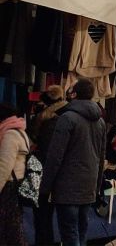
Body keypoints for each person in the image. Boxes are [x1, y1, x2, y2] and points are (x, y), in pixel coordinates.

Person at [40, 78, 107, 246]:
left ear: (74, 94)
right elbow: (101, 157)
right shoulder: (100, 122)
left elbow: (55, 157)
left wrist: (45, 188)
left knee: (70, 234)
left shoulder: (67, 118)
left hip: (67, 187)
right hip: (88, 186)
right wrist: (97, 187)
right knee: (81, 232)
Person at [31, 85, 66, 246]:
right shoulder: (67, 116)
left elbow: (45, 151)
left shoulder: (47, 120)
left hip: (45, 174)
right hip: (62, 175)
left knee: (43, 216)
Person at [0, 104, 29, 246]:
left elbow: (4, 165)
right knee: (12, 223)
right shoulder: (19, 131)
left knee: (9, 225)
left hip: (8, 184)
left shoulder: (10, 134)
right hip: (14, 183)